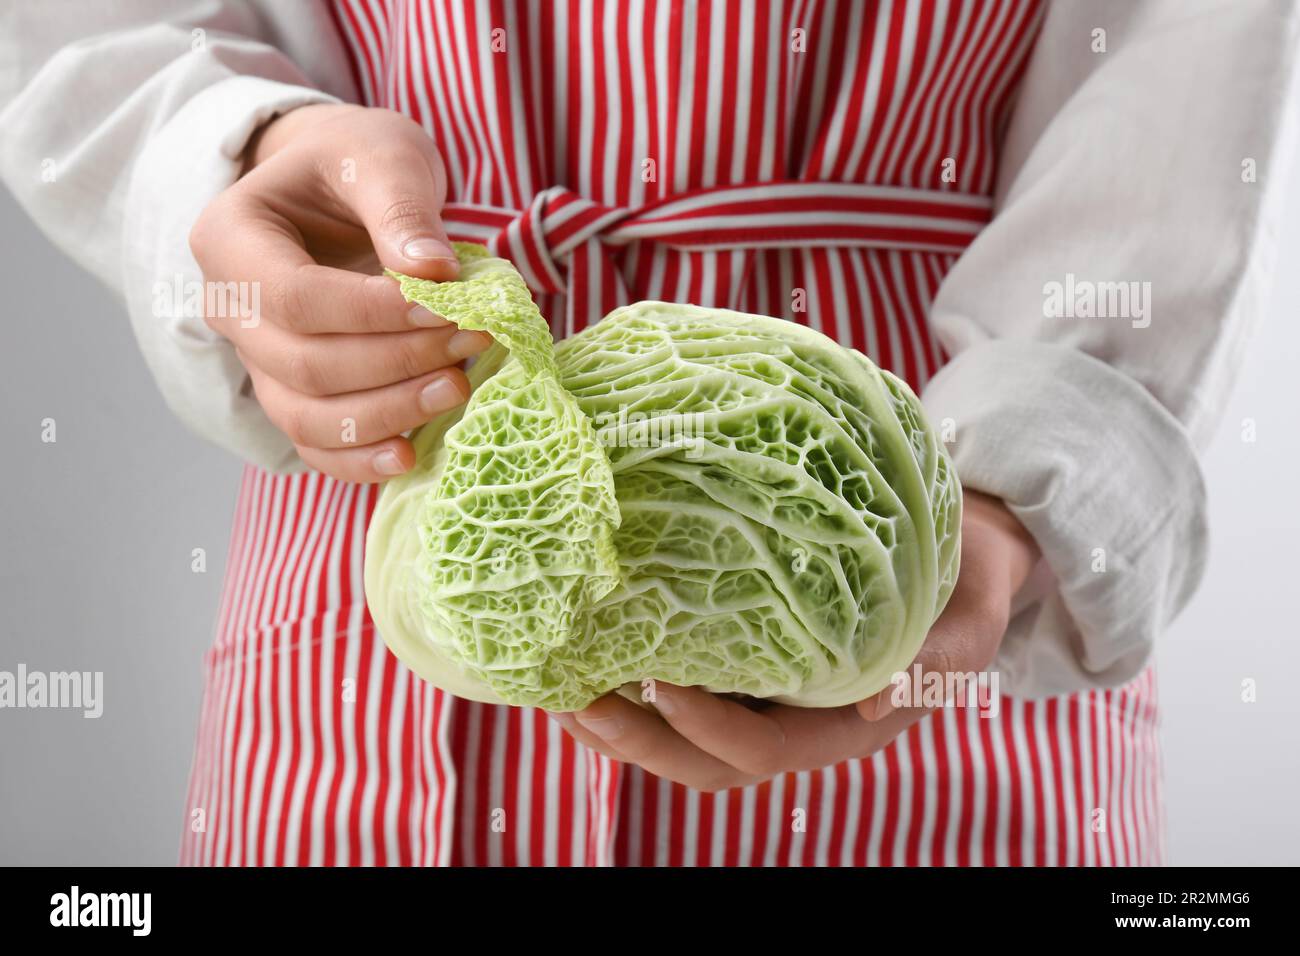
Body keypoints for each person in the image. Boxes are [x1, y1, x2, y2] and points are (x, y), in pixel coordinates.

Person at [2, 0, 1296, 866]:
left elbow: (1171, 65)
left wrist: (1015, 518)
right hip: (382, 562)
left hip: (944, 567)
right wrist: (236, 161)